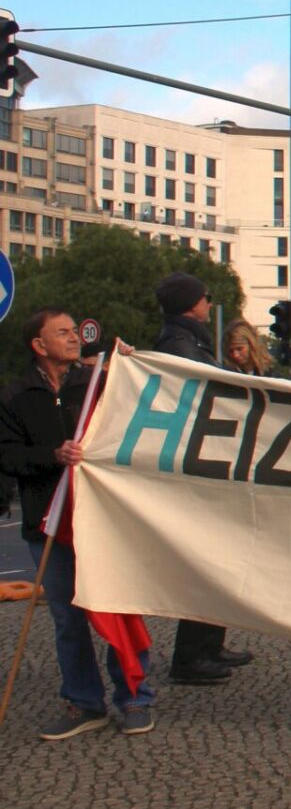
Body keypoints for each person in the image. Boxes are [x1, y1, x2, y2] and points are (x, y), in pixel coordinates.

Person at [0, 310, 157, 739]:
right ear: (38, 344)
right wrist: (53, 455)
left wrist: (131, 367)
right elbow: (7, 456)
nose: (74, 338)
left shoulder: (94, 385)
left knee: (118, 606)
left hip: (103, 522)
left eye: (74, 331)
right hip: (47, 523)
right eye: (63, 333)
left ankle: (135, 698)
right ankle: (84, 702)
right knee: (68, 619)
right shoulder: (15, 396)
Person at [151, 271, 251, 686]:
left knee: (218, 561)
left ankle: (210, 643)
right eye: (206, 298)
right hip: (197, 467)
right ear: (192, 304)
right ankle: (190, 657)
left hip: (205, 461)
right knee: (205, 564)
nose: (210, 304)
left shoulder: (189, 341)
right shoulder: (181, 344)